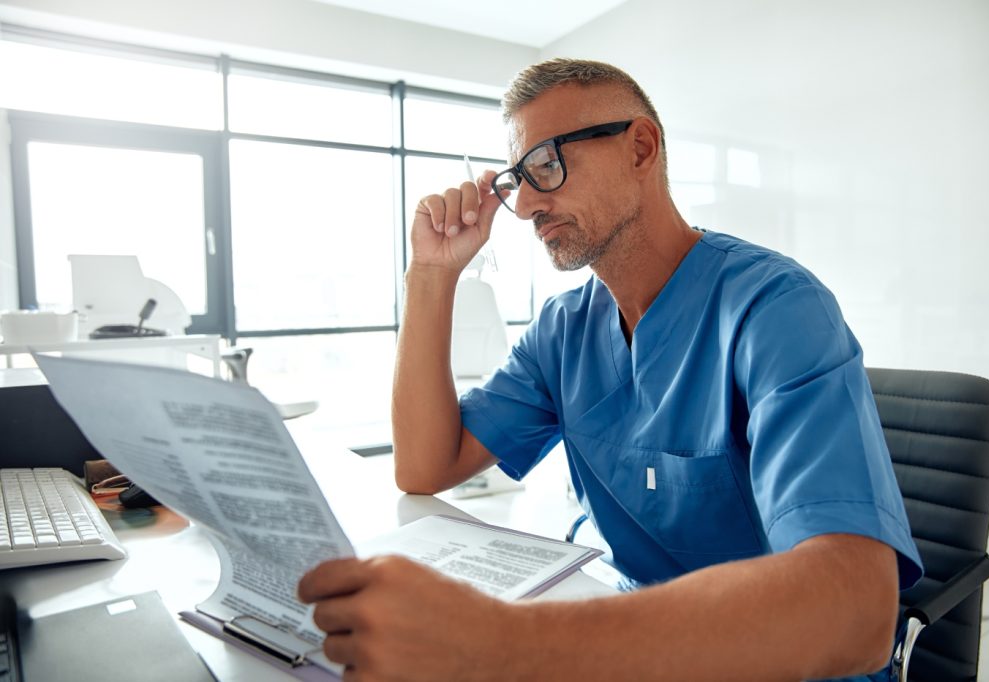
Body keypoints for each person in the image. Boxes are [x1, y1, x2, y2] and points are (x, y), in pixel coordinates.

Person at [299, 58, 923, 681]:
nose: (527, 207)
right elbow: (426, 466)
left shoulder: (776, 309)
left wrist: (504, 641)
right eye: (519, 181)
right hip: (630, 646)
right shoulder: (563, 330)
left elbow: (856, 610)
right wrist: (430, 276)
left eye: (547, 164)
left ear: (641, 147)